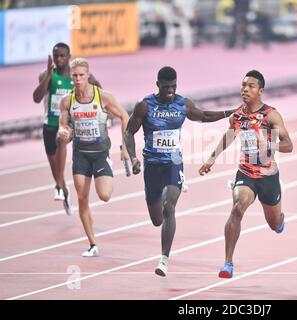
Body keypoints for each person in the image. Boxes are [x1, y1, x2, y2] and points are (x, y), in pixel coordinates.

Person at [124, 66, 235, 276]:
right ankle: (155, 199)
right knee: (157, 219)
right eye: (166, 87)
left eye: (173, 87)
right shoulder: (145, 105)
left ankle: (164, 259)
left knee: (169, 207)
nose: (170, 91)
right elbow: (129, 133)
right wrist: (133, 158)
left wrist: (229, 112)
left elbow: (203, 116)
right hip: (152, 166)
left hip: (174, 163)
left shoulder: (182, 103)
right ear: (157, 85)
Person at [199, 70, 293, 278]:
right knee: (237, 207)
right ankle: (227, 263)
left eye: (251, 86)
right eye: (243, 86)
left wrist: (269, 143)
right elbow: (229, 136)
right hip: (246, 173)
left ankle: (280, 220)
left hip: (268, 176)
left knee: (274, 224)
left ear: (260, 91)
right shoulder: (238, 116)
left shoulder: (271, 115)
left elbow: (289, 145)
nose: (245, 89)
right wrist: (211, 159)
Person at [57, 58, 129, 257]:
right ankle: (92, 243)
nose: (78, 79)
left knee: (104, 195)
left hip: (100, 154)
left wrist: (125, 147)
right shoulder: (67, 101)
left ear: (88, 75)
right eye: (75, 76)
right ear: (71, 77)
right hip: (80, 154)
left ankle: (106, 171)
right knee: (82, 198)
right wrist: (64, 133)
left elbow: (124, 116)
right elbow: (64, 129)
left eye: (81, 75)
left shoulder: (103, 97)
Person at [32, 43, 101, 215]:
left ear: (69, 56)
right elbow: (36, 97)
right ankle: (63, 188)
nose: (59, 59)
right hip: (50, 124)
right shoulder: (47, 74)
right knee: (56, 170)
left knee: (61, 138)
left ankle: (59, 185)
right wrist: (48, 74)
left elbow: (98, 89)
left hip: (69, 122)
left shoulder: (76, 75)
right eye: (56, 56)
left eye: (62, 56)